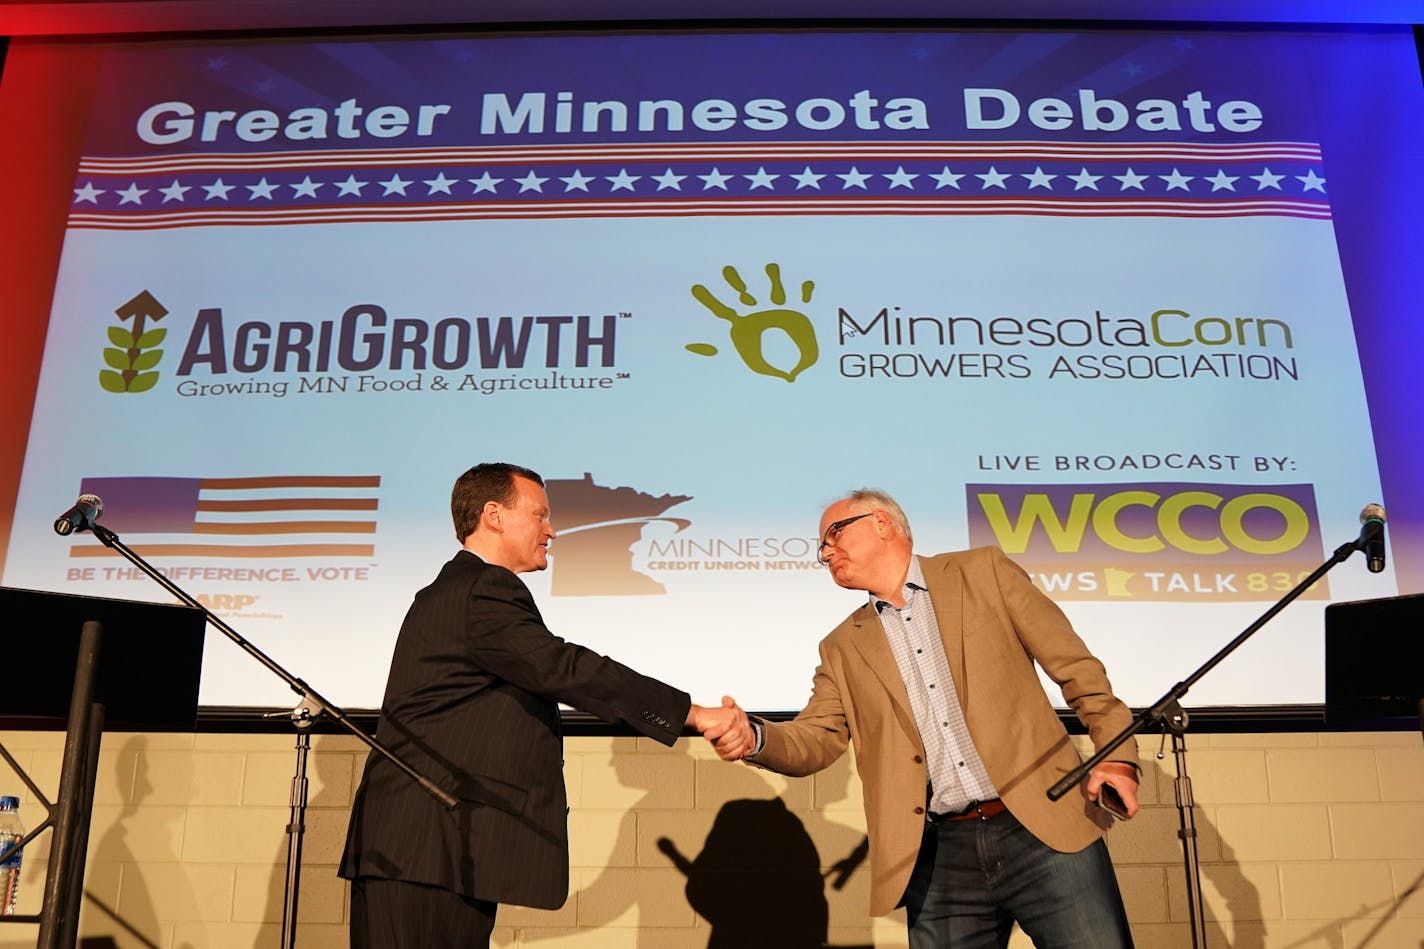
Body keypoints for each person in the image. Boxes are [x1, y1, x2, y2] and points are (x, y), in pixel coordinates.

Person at [339, 462, 744, 947]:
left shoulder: (459, 589)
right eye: (540, 515)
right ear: (494, 515)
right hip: (426, 846)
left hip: (434, 850)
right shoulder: (482, 588)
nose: (551, 530)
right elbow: (563, 667)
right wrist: (692, 713)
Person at [716, 488, 1140, 948]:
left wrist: (1117, 756)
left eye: (834, 534)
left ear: (882, 523)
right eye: (822, 548)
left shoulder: (985, 572)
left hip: (1043, 828)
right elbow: (814, 738)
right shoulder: (841, 647)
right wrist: (754, 737)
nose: (825, 552)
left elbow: (1078, 670)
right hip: (939, 857)